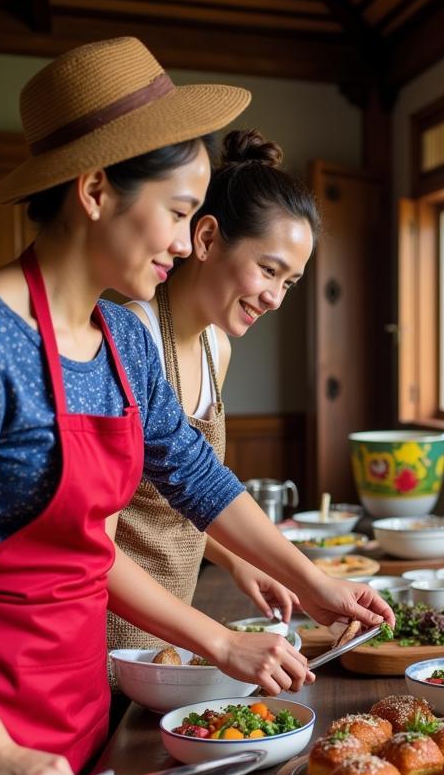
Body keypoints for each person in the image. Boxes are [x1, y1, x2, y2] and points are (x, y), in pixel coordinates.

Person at [0, 37, 393, 775]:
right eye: (179, 212)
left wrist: (318, 583)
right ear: (95, 190)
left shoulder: (118, 341)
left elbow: (196, 479)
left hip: (79, 697)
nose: (187, 242)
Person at [109, 129, 317, 653]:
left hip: (169, 640)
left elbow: (186, 489)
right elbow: (99, 540)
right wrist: (221, 641)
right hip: (113, 639)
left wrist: (235, 558)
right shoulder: (130, 337)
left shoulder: (216, 347)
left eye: (289, 282)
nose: (274, 298)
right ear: (204, 240)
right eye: (268, 270)